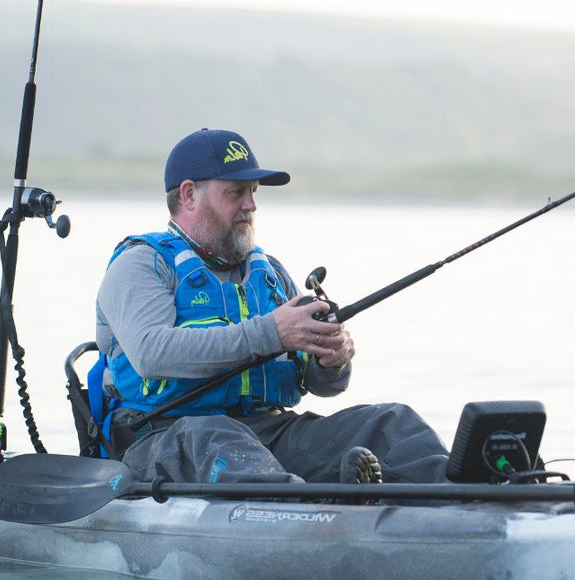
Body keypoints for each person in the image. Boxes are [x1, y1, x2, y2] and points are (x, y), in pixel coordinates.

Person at [93, 127, 450, 487]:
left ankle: (473, 494)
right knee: (220, 440)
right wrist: (274, 332)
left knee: (392, 423)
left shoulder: (271, 274)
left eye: (253, 192)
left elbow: (322, 385)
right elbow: (152, 353)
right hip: (166, 438)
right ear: (189, 195)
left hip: (267, 430)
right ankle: (311, 505)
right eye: (235, 192)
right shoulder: (140, 264)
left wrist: (332, 360)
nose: (251, 204)